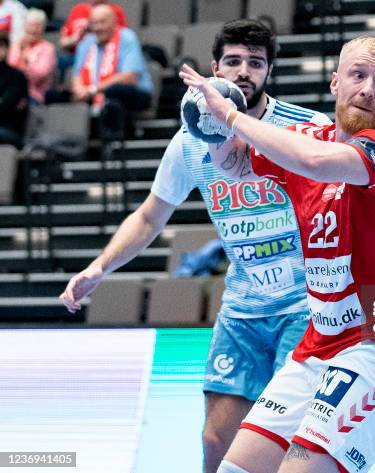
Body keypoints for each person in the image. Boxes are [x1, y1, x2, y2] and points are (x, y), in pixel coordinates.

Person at [59, 19, 330, 473]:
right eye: (233, 61)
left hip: (306, 307)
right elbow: (149, 216)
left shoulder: (308, 129)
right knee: (216, 442)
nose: (244, 71)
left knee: (289, 444)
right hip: (242, 310)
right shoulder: (190, 143)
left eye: (255, 63)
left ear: (269, 72)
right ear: (214, 67)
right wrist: (99, 268)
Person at [180, 35, 375, 473]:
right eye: (358, 74)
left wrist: (233, 116)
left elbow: (314, 161)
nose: (368, 88)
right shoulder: (308, 137)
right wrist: (210, 124)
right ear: (335, 83)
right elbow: (235, 164)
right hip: (317, 347)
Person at [70, 5, 152, 113]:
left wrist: (93, 90)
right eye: (94, 23)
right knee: (55, 96)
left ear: (114, 22)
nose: (98, 28)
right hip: (92, 93)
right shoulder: (86, 42)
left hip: (133, 94)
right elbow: (77, 75)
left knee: (115, 91)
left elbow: (129, 77)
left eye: (102, 22)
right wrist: (79, 90)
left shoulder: (127, 38)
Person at [8, 8, 56, 105]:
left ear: (43, 29)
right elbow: (8, 69)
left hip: (33, 94)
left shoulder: (48, 49)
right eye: (30, 25)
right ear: (24, 26)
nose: (33, 29)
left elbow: (39, 76)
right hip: (10, 92)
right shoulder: (17, 45)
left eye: (37, 26)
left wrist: (26, 61)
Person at [59, 0, 127, 55]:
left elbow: (123, 40)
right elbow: (63, 43)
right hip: (75, 56)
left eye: (102, 21)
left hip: (106, 54)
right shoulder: (78, 10)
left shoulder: (115, 11)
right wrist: (76, 38)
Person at [0, 32, 28, 148]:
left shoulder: (17, 76)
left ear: (7, 49)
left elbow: (5, 106)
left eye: (1, 46)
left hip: (9, 131)